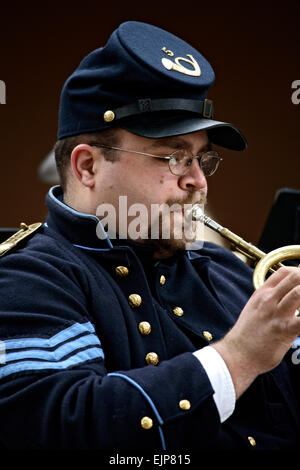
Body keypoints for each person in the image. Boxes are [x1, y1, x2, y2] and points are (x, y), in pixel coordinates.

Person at [0, 21, 299, 452]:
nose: (198, 182)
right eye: (173, 157)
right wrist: (240, 356)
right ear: (87, 167)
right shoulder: (27, 279)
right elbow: (63, 428)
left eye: (201, 159)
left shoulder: (229, 272)